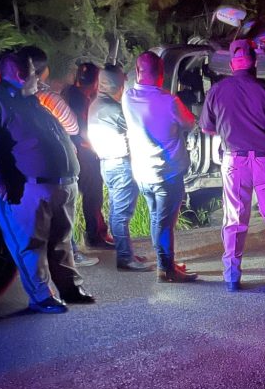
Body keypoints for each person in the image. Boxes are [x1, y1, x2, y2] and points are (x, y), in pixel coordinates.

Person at [0, 51, 95, 312]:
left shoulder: (31, 100)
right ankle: (42, 296)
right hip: (28, 187)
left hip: (59, 183)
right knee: (30, 245)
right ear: (20, 75)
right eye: (33, 72)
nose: (38, 78)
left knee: (61, 241)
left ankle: (69, 288)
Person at [199, 39, 265, 292]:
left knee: (234, 219)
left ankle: (232, 277)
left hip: (234, 162)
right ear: (255, 63)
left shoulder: (217, 91)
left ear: (232, 65)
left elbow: (207, 128)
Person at [19, 45, 99, 269]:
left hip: (24, 165)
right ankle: (71, 256)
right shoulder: (47, 97)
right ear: (42, 71)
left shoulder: (9, 96)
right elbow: (72, 126)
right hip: (53, 164)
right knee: (62, 213)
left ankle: (37, 261)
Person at [122, 51, 198, 282]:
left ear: (138, 71)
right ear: (162, 74)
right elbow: (190, 123)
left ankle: (165, 263)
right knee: (164, 223)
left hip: (143, 173)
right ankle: (166, 270)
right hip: (167, 173)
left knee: (157, 218)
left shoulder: (127, 97)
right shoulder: (169, 101)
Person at [88, 65, 150, 272]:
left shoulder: (96, 104)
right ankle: (125, 258)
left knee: (117, 211)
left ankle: (126, 253)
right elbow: (140, 128)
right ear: (118, 85)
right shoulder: (114, 110)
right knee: (121, 215)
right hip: (120, 164)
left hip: (108, 164)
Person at [63, 61, 114, 249]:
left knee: (89, 196)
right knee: (93, 196)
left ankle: (95, 234)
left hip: (74, 152)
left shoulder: (72, 94)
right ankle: (96, 236)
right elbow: (83, 131)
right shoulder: (79, 100)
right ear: (95, 81)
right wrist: (98, 147)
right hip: (83, 154)